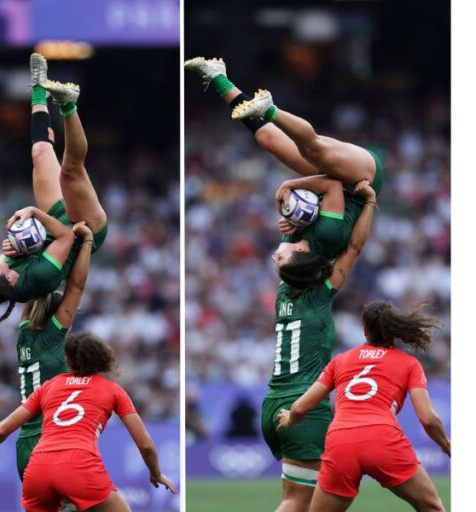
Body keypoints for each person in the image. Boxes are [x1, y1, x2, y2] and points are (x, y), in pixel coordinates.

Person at [184, 57, 385, 278]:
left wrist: (296, 223)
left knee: (267, 139)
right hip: (363, 176)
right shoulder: (326, 237)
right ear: (299, 252)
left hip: (341, 181)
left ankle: (217, 76)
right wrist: (289, 184)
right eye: (280, 259)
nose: (273, 257)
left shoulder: (297, 238)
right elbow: (332, 184)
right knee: (312, 150)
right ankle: (269, 109)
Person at [259, 181, 377, 512]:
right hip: (302, 408)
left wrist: (290, 221)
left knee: (298, 498)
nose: (275, 253)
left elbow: (291, 251)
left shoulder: (284, 291)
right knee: (300, 502)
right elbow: (353, 247)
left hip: (273, 403)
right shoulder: (319, 295)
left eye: (278, 257)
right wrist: (369, 203)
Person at [0, 53, 108, 329]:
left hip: (55, 226)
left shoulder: (6, 275)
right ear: (9, 279)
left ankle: (38, 86)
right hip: (85, 229)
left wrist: (13, 245)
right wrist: (32, 210)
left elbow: (18, 245)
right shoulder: (40, 279)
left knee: (40, 151)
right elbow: (68, 235)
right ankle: (68, 105)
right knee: (70, 171)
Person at [0, 332, 177, 512]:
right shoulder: (113, 390)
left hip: (38, 468)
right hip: (79, 464)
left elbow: (2, 430)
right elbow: (146, 444)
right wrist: (155, 473)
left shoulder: (49, 386)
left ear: (68, 360)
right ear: (101, 359)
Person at [278, 302, 450, 512]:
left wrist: (289, 419)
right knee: (432, 507)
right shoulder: (409, 363)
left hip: (340, 441)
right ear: (393, 330)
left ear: (365, 331)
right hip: (383, 439)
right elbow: (428, 419)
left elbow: (299, 409)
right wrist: (447, 446)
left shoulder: (340, 361)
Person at [11, 221, 95, 482]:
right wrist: (88, 243)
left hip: (25, 444)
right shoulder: (51, 337)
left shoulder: (23, 334)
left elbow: (32, 294)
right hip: (54, 439)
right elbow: (76, 287)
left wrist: (34, 247)